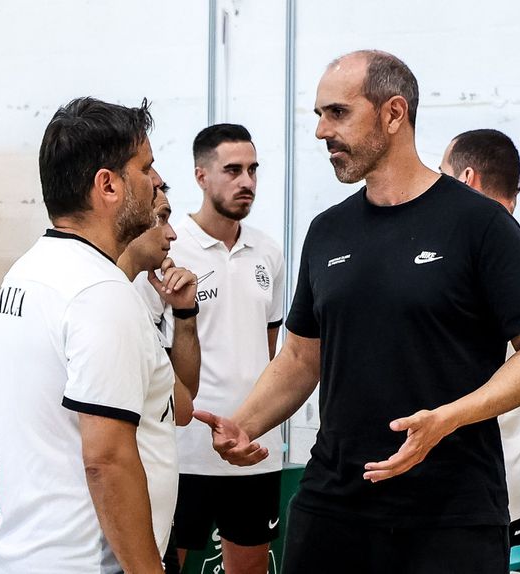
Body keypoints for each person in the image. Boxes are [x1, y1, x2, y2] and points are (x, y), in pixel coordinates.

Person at [193, 50, 520, 574]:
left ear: (394, 114)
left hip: (450, 514)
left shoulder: (479, 224)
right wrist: (244, 425)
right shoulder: (328, 231)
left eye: (337, 113)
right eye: (319, 114)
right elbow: (301, 358)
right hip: (334, 505)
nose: (322, 131)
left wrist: (447, 419)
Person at [0, 96, 177, 573]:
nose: (155, 183)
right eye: (146, 168)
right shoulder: (100, 292)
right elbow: (107, 460)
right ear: (108, 184)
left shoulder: (28, 271)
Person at [144, 124, 286, 573]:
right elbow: (150, 354)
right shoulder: (169, 248)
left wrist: (255, 423)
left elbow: (272, 353)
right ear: (201, 176)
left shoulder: (268, 251)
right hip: (183, 451)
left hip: (253, 450)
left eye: (252, 170)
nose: (246, 181)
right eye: (232, 170)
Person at [438, 127, 520, 547]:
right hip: (481, 476)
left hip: (482, 478)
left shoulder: (493, 248)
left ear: (466, 179)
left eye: (441, 173)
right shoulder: (490, 244)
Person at [117, 176, 200, 427]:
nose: (172, 234)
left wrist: (184, 312)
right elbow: (183, 411)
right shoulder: (115, 305)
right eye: (162, 218)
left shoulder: (132, 302)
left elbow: (184, 399)